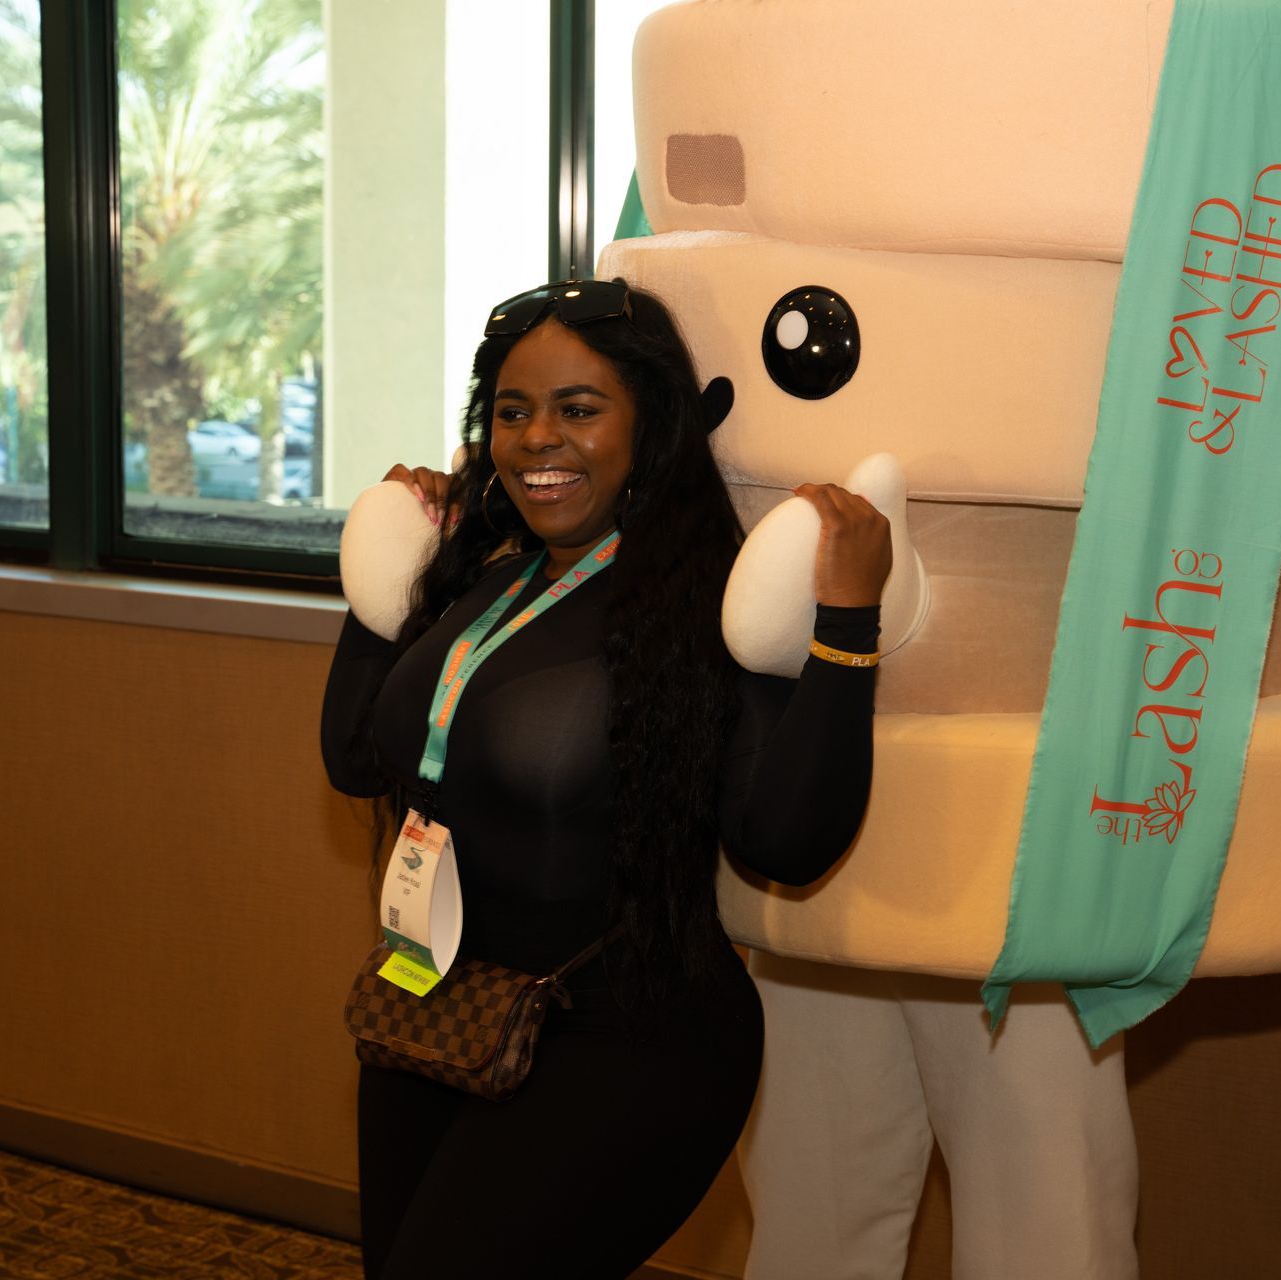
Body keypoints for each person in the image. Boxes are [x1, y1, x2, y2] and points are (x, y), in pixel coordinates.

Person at [319, 278, 894, 1279]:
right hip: (433, 1003)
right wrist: (389, 567)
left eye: (578, 409)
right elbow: (354, 756)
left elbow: (786, 841)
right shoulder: (485, 573)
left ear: (653, 423)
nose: (538, 437)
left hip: (628, 1042)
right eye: (512, 410)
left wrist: (846, 625)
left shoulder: (704, 599)